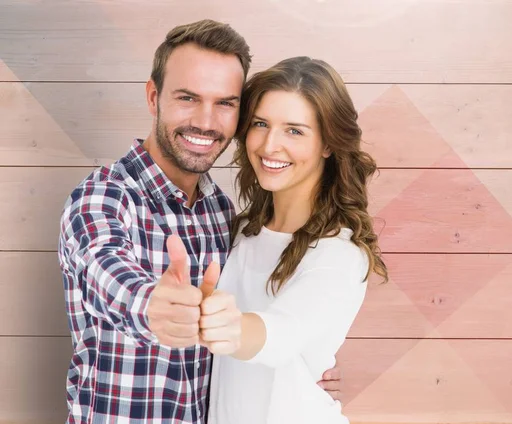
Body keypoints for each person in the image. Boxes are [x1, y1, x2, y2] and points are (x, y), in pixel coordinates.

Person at [57, 20, 340, 424]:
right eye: (188, 98)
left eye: (225, 103)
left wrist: (299, 371)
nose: (206, 122)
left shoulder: (224, 214)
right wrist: (151, 305)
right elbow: (105, 269)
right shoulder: (102, 197)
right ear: (154, 97)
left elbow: (261, 326)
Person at [199, 56, 388, 423]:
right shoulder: (238, 233)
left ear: (328, 144)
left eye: (295, 130)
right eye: (261, 124)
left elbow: (282, 334)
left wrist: (229, 327)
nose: (270, 145)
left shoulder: (340, 254)